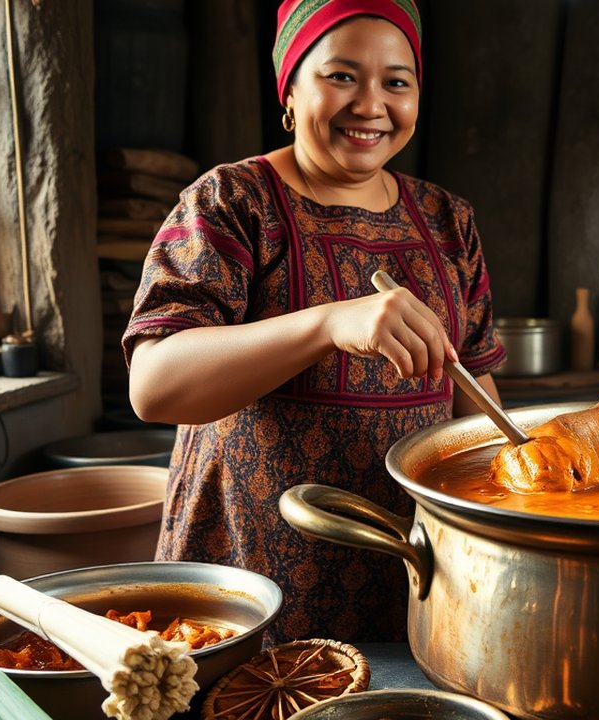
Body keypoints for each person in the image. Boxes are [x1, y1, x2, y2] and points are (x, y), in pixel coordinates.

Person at [123, 0, 506, 645]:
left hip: (415, 570)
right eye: (341, 76)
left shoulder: (448, 220)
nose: (371, 104)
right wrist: (327, 323)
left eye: (396, 81)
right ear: (291, 91)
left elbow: (476, 396)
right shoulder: (232, 201)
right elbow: (154, 384)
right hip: (250, 578)